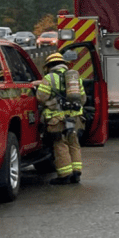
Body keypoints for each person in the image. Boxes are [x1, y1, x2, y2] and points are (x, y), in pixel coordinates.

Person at [35, 52, 85, 185]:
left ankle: (64, 175)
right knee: (74, 144)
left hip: (57, 119)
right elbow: (83, 99)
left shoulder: (49, 78)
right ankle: (76, 173)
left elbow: (41, 97)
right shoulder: (75, 78)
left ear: (49, 65)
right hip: (75, 118)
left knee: (60, 144)